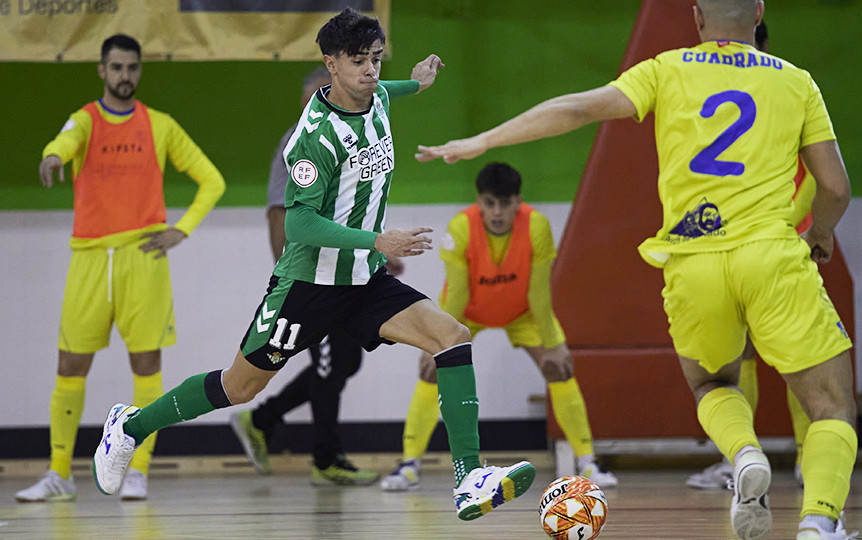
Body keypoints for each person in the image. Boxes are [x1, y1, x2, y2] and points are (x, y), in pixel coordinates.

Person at [415, 1, 858, 539]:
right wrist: (820, 233)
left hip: (692, 261)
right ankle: (818, 523)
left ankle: (743, 455)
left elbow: (577, 109)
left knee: (713, 383)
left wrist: (482, 141)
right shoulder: (797, 82)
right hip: (771, 255)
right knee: (830, 403)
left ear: (696, 17)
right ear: (759, 13)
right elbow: (834, 187)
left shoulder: (666, 68)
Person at [92, 8, 536, 522]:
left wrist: (416, 83)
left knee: (453, 337)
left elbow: (387, 88)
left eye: (375, 59)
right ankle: (129, 428)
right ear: (330, 64)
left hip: (362, 280)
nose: (370, 71)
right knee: (240, 387)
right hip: (307, 285)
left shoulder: (378, 97)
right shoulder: (313, 139)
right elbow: (299, 225)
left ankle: (468, 479)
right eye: (358, 61)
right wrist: (379, 239)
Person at [15, 34, 226, 503]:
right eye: (116, 68)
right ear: (101, 70)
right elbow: (65, 140)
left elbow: (213, 180)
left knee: (147, 364)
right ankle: (59, 474)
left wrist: (183, 229)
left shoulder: (161, 125)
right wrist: (53, 154)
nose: (124, 76)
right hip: (89, 260)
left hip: (142, 259)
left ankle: (137, 471)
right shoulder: (85, 121)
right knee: (70, 364)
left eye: (132, 68)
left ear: (139, 70)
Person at [380, 162, 618, 491]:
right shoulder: (461, 228)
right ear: (479, 201)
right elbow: (458, 293)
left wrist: (553, 343)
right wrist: (436, 345)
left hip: (523, 312)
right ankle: (408, 464)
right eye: (490, 202)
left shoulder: (537, 226)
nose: (497, 212)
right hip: (466, 313)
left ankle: (587, 462)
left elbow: (540, 293)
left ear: (518, 201)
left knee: (559, 369)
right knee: (432, 371)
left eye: (505, 203)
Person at [229, 65, 390, 486]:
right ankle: (326, 458)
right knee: (328, 365)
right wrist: (290, 273)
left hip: (345, 274)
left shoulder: (350, 135)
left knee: (342, 361)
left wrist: (374, 248)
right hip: (312, 277)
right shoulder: (298, 142)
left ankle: (262, 420)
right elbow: (279, 212)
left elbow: (349, 209)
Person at [685, 19, 812, 491]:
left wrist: (792, 225)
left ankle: (804, 457)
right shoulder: (715, 91)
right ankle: (740, 459)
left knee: (785, 361)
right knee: (742, 359)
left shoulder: (785, 86)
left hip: (773, 240)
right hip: (734, 244)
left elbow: (818, 173)